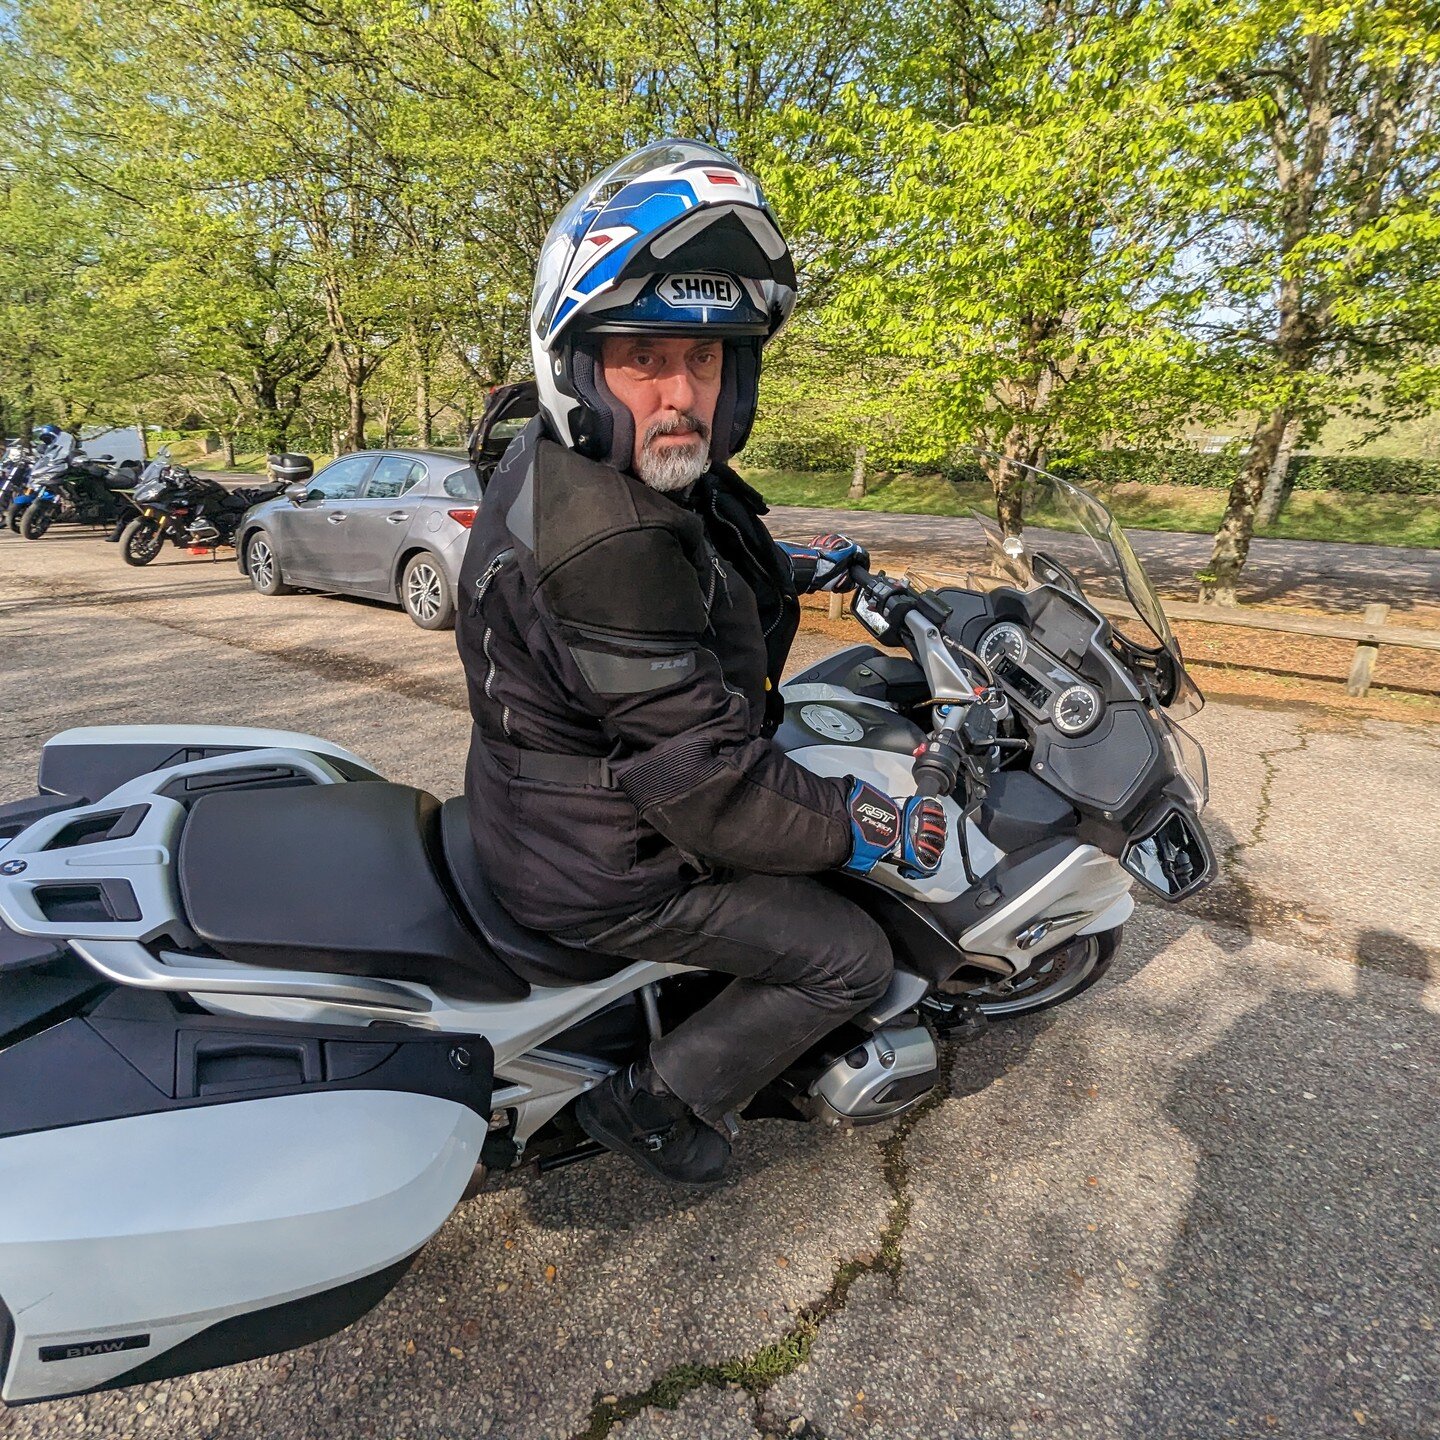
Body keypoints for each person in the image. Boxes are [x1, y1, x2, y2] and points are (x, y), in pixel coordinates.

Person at [456, 140, 946, 1187]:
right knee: (849, 955)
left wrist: (805, 568)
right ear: (581, 363)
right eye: (645, 355)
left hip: (553, 806)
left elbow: (699, 547)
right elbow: (708, 783)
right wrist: (873, 829)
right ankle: (656, 1101)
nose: (681, 391)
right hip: (604, 864)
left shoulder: (581, 462)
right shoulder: (605, 542)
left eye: (708, 358)